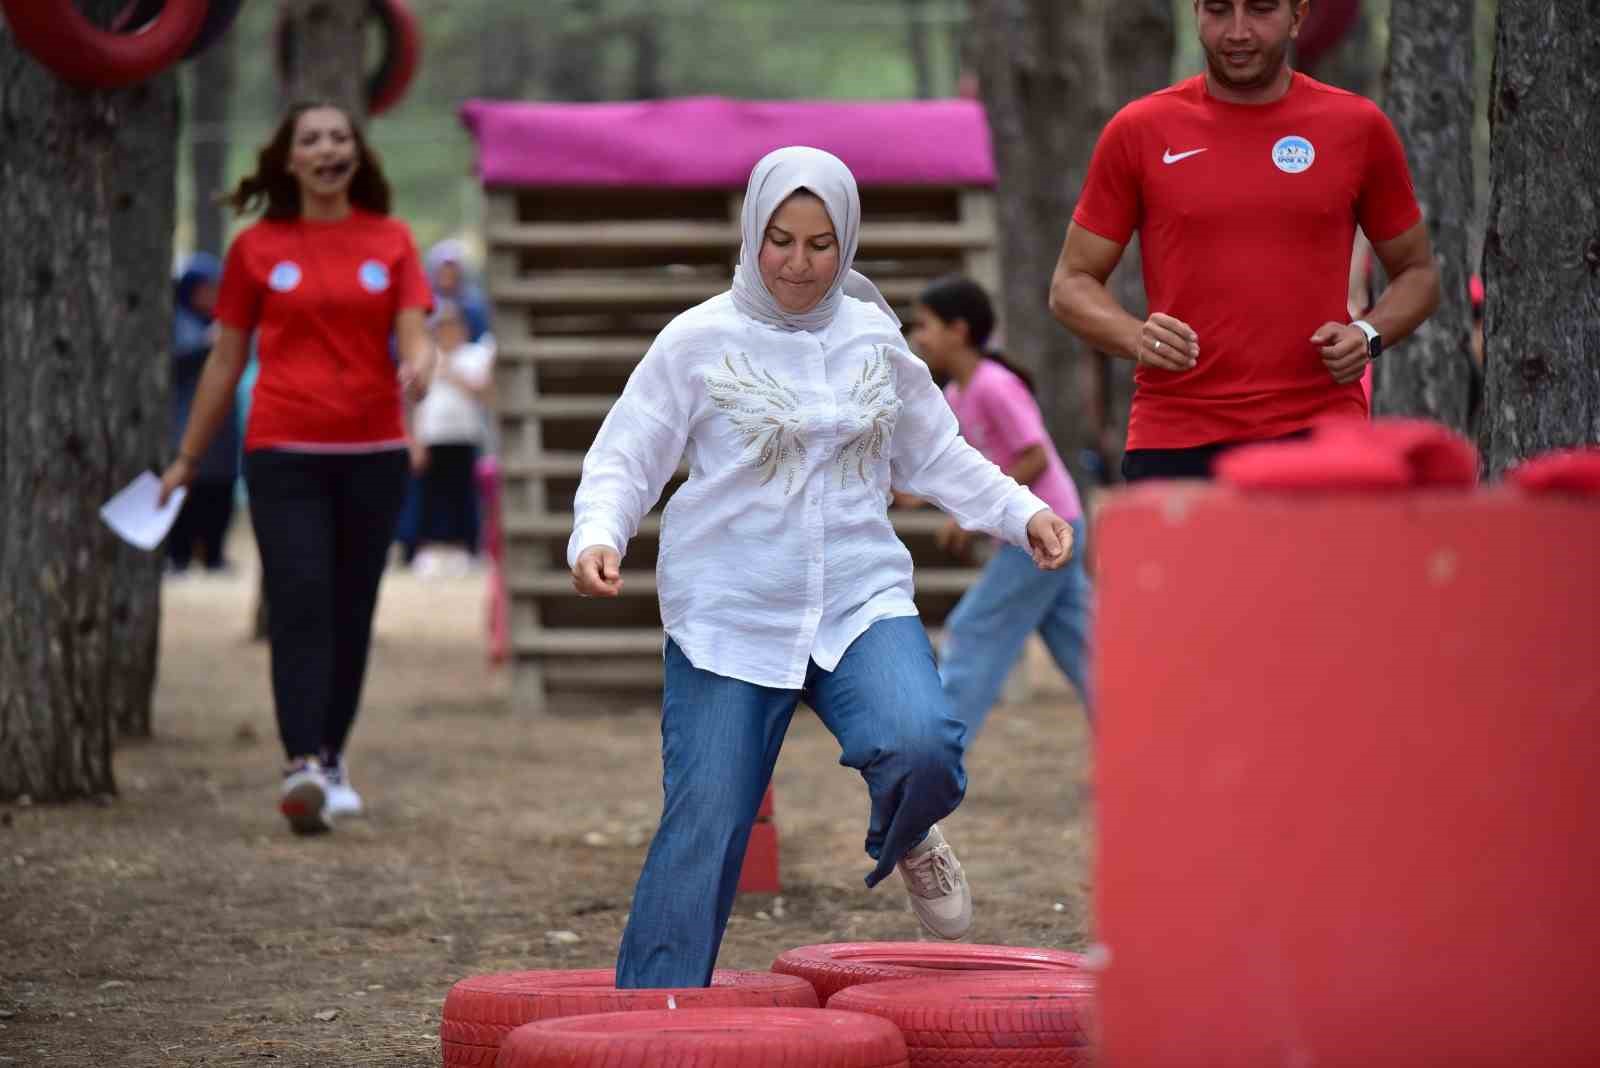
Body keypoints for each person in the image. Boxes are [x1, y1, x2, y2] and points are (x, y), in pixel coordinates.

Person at [569, 147, 1074, 988]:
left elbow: (935, 454)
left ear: (846, 244)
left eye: (819, 243)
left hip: (857, 598)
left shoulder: (872, 335)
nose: (798, 264)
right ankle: (650, 1019)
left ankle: (909, 830)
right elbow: (627, 455)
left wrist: (1021, 512)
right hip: (730, 613)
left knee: (923, 749)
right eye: (779, 240)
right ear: (750, 235)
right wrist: (600, 534)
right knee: (707, 822)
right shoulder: (696, 340)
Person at [158, 101, 435, 835]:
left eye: (339, 138)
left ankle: (331, 758)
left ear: (355, 155)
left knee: (352, 610)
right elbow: (225, 358)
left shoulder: (392, 239)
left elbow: (416, 334)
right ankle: (301, 765)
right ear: (288, 159)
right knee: (300, 598)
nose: (325, 149)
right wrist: (187, 457)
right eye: (310, 139)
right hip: (283, 451)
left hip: (373, 453)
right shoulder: (257, 248)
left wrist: (420, 367)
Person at [1049, 0, 1441, 481]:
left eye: (1259, 11)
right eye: (1217, 11)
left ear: (1298, 16)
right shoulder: (1138, 129)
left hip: (1321, 433)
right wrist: (1135, 335)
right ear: (1196, 13)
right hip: (1176, 436)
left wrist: (1368, 334)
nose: (1237, 31)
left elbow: (1418, 274)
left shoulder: (1358, 126)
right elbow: (1070, 284)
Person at [908, 276, 1093, 740]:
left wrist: (968, 522)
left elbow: (1034, 455)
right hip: (1044, 529)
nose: (918, 337)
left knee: (973, 630)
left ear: (959, 330)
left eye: (925, 325)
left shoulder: (995, 385)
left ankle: (938, 751)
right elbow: (963, 467)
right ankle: (1142, 740)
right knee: (1086, 646)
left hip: (1046, 528)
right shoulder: (955, 395)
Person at [166, 252, 240, 574]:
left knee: (219, 492)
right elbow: (179, 354)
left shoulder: (221, 322)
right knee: (187, 492)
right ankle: (178, 553)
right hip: (185, 422)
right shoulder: (177, 320)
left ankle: (214, 553)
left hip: (223, 429)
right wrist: (207, 342)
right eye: (209, 288)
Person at [411, 300, 494, 577]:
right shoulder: (426, 357)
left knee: (463, 494)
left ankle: (465, 548)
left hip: (464, 436)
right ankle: (430, 550)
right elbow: (415, 400)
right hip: (433, 436)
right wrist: (415, 441)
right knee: (432, 495)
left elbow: (484, 392)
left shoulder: (474, 355)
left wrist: (452, 373)